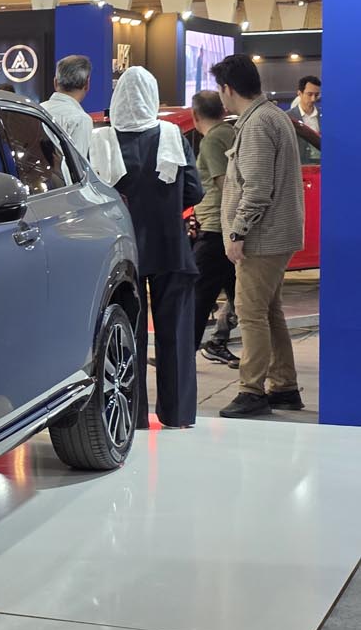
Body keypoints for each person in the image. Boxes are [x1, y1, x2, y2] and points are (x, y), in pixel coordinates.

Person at [91, 67, 203, 429]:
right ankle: (178, 413)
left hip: (122, 253)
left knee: (126, 335)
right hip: (171, 247)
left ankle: (132, 413)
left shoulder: (101, 139)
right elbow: (195, 191)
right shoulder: (171, 135)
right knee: (177, 335)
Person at [212, 54, 305, 417]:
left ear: (227, 89)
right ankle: (284, 386)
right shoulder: (272, 116)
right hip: (276, 235)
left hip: (262, 239)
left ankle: (251, 390)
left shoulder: (256, 124)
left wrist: (238, 232)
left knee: (250, 314)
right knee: (270, 311)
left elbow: (256, 189)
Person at [189, 91, 239, 367]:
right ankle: (218, 343)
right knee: (239, 297)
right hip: (228, 229)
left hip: (215, 229)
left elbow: (224, 185)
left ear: (195, 115)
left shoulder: (211, 141)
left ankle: (182, 358)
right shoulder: (231, 134)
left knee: (198, 296)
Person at [42, 55, 94, 159]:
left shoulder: (37, 110)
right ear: (87, 84)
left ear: (55, 82)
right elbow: (76, 165)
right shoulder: (81, 120)